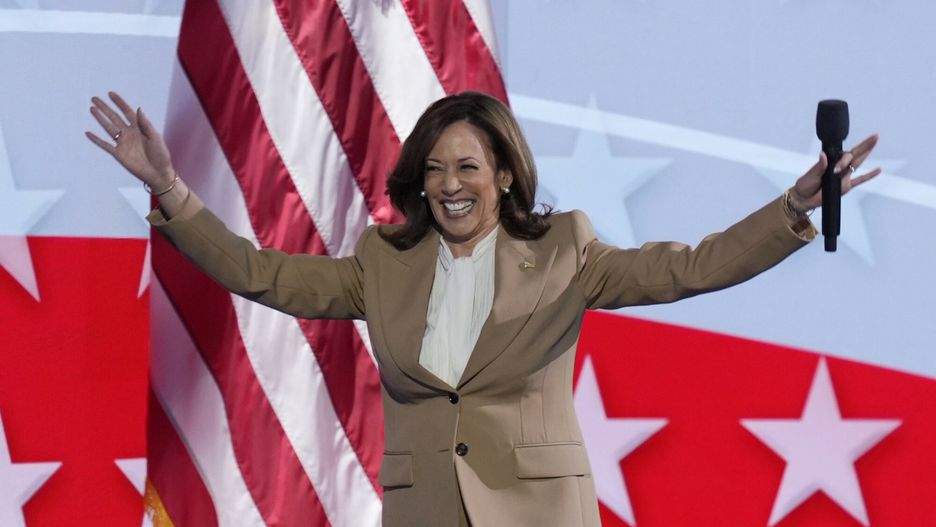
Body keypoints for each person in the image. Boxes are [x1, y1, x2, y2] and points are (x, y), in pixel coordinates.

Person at [87, 90, 880, 526]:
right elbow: (265, 274)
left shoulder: (565, 250)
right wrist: (171, 191)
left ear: (503, 173)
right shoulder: (383, 264)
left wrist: (791, 208)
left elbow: (688, 269)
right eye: (434, 169)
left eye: (467, 165)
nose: (449, 183)